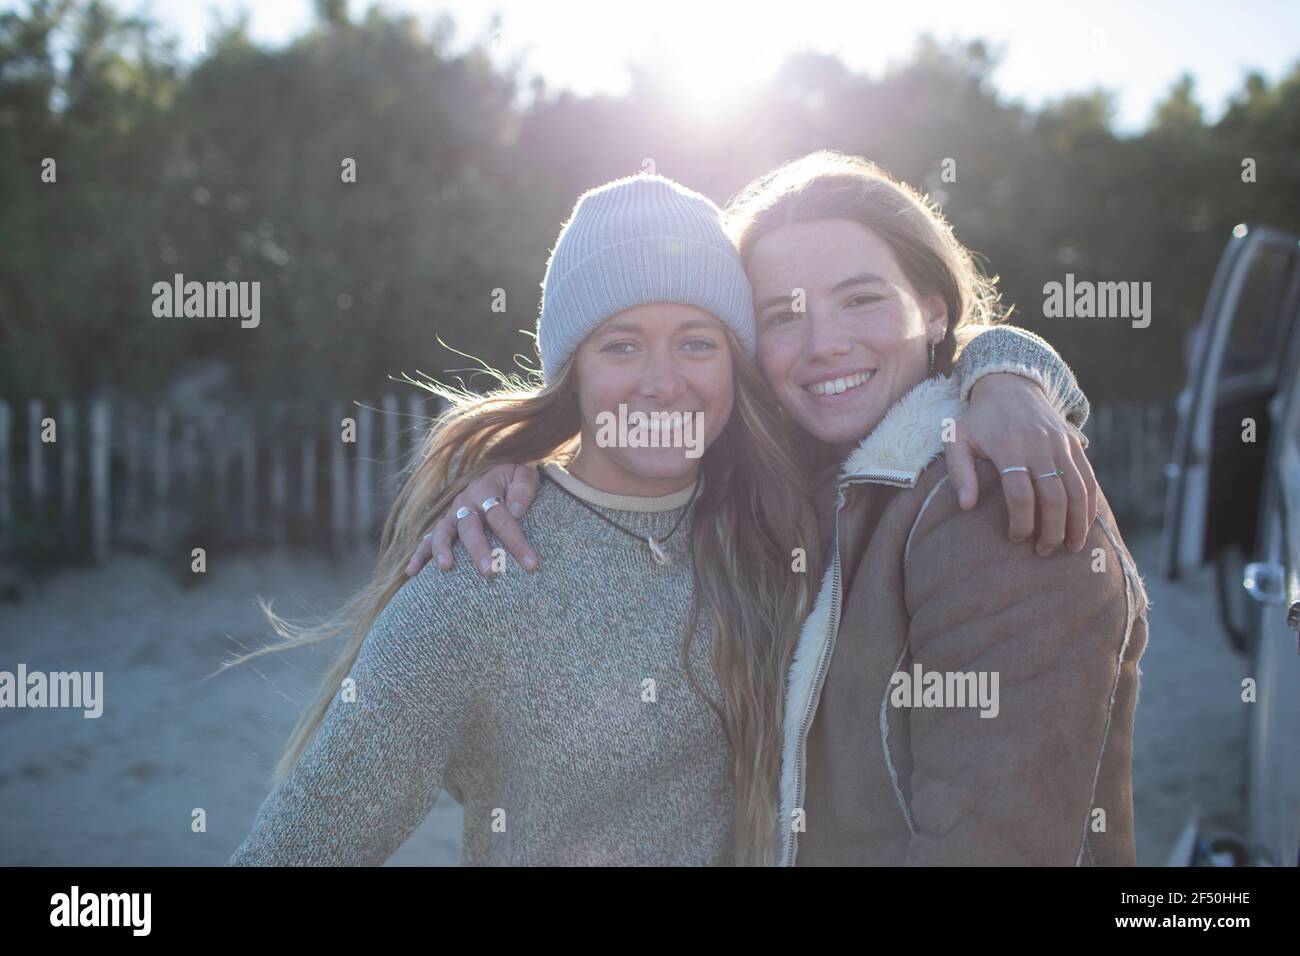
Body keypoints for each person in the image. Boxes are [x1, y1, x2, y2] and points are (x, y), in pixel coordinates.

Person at [227, 173, 822, 865]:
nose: (663, 381)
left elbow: (917, 366)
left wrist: (987, 368)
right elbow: (295, 848)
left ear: (735, 365)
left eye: (697, 342)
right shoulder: (478, 571)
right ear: (571, 372)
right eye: (621, 345)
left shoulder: (784, 528)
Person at [726, 151, 1147, 865]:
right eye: (783, 315)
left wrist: (1007, 369)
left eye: (861, 299)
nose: (825, 344)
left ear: (932, 311)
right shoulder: (789, 485)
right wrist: (503, 469)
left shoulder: (986, 492)